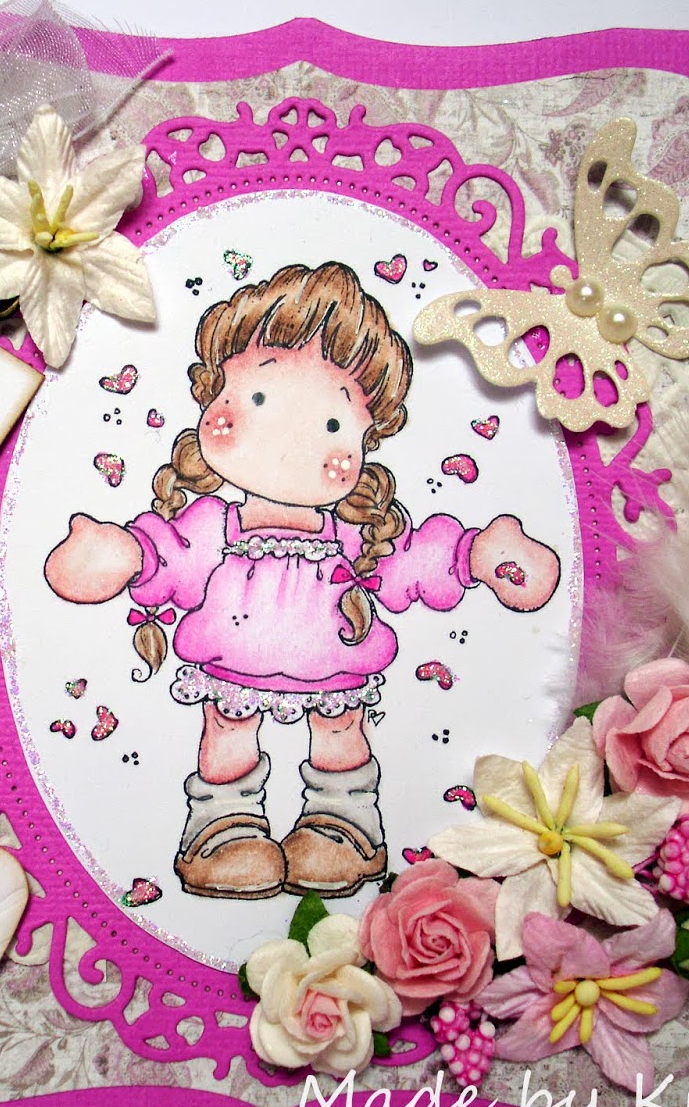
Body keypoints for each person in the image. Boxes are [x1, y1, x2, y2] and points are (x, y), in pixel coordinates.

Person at [45, 262, 559, 900]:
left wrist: (477, 554)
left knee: (340, 737)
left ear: (369, 439)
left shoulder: (358, 534)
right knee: (227, 734)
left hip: (333, 667)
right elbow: (169, 554)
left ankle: (341, 826)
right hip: (231, 667)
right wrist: (122, 553)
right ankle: (224, 830)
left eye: (333, 424)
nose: (290, 441)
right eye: (259, 400)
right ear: (214, 398)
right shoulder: (215, 526)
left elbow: (408, 559)